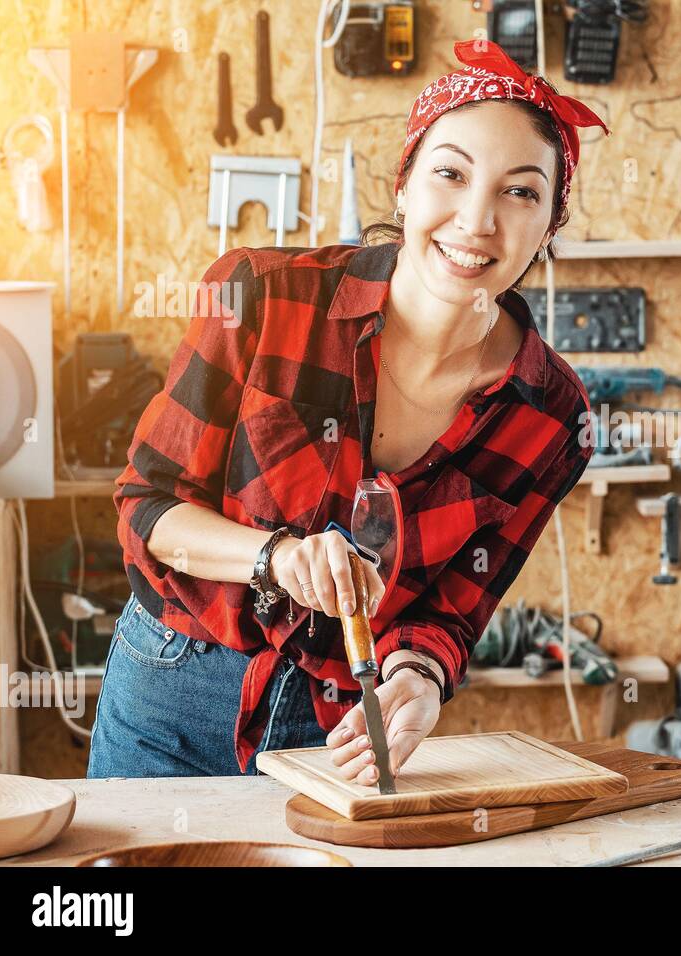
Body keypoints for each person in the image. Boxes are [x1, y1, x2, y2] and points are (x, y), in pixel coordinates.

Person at [87, 39, 610, 784]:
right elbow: (147, 506)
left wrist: (421, 681)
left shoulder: (553, 417)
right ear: (405, 187)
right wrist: (277, 556)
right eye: (450, 174)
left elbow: (454, 612)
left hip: (338, 727)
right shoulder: (258, 296)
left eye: (520, 192)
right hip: (173, 685)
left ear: (550, 226)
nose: (476, 220)